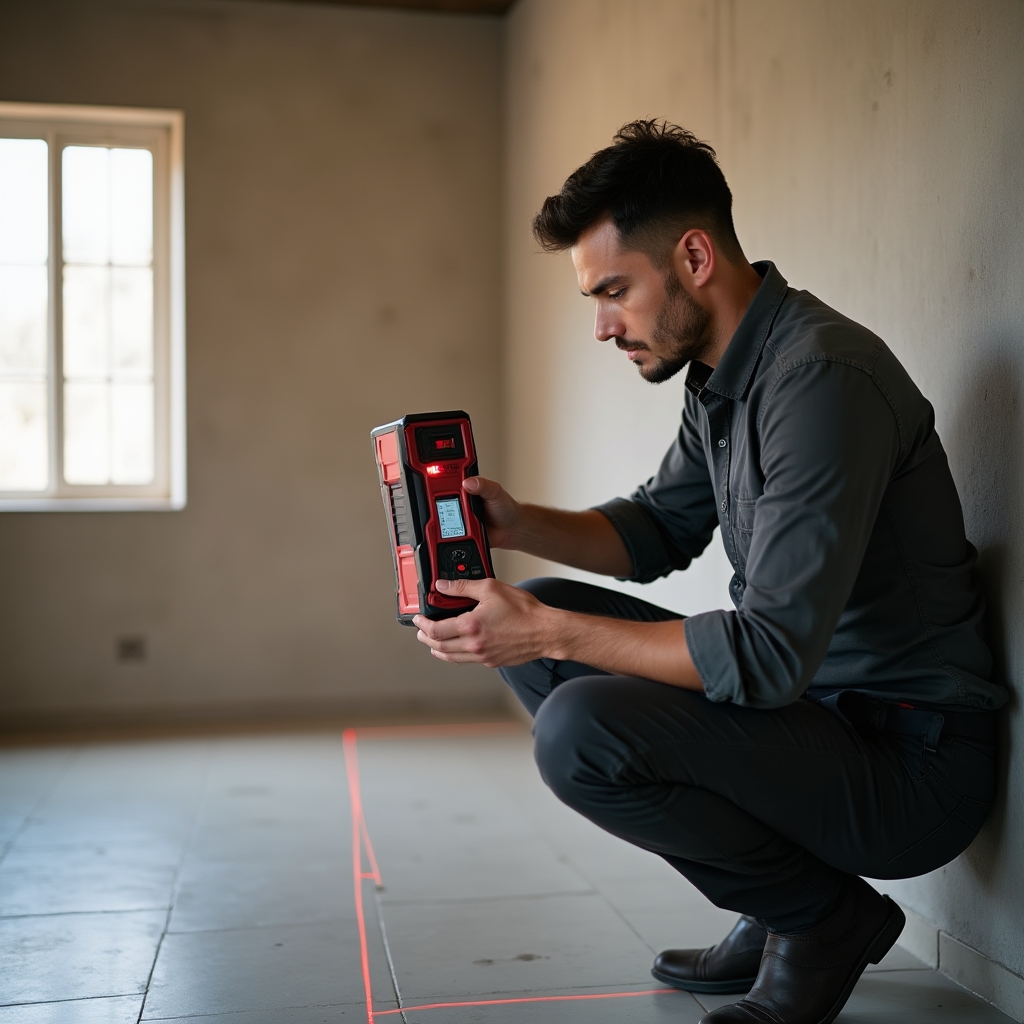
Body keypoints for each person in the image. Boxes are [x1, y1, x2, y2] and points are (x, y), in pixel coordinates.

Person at [412, 120, 1005, 1024]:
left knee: (576, 723)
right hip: (822, 725)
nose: (603, 327)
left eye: (614, 291)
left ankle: (819, 920)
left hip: (911, 762)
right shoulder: (724, 374)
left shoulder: (820, 380)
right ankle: (780, 902)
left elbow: (767, 656)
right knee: (539, 629)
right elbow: (654, 531)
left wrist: (552, 633)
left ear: (693, 256)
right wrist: (518, 522)